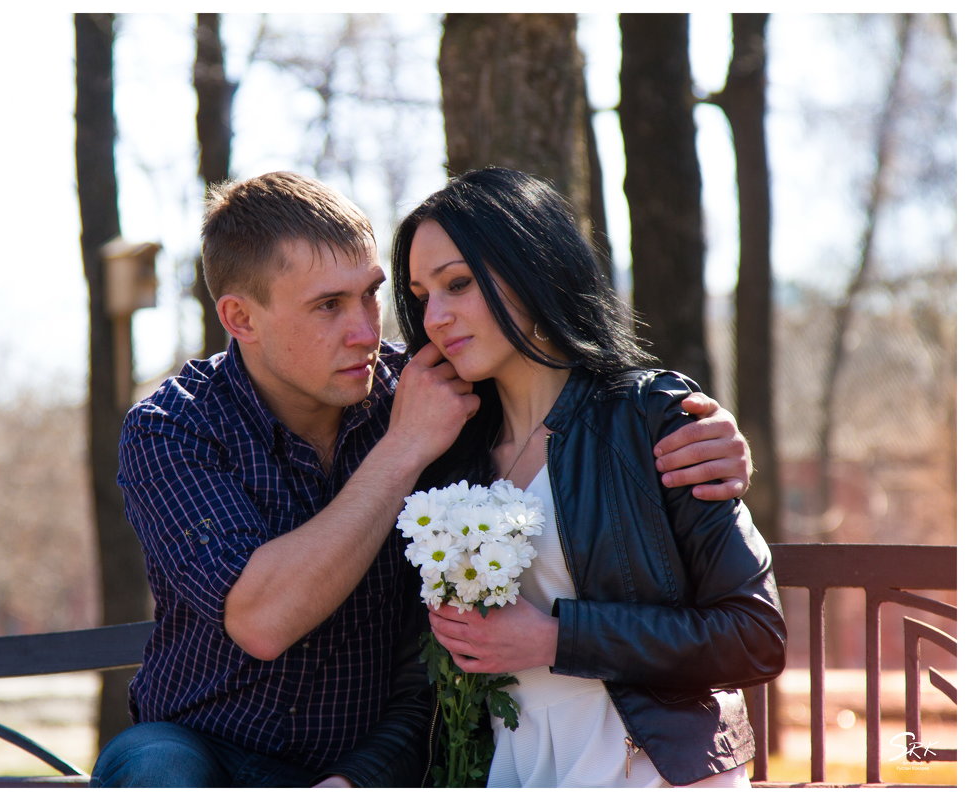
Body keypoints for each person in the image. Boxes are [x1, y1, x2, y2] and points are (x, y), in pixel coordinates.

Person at [90, 171, 755, 788]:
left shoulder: (438, 392)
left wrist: (703, 429)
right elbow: (261, 622)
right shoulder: (174, 427)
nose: (365, 332)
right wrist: (403, 446)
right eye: (327, 306)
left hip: (385, 749)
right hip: (201, 744)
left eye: (372, 294)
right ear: (240, 318)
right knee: (154, 772)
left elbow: (572, 400)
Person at [390, 167, 786, 788]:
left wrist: (557, 640)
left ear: (534, 268)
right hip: (512, 771)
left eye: (458, 284)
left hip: (653, 770)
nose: (435, 316)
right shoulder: (450, 455)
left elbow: (754, 635)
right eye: (421, 296)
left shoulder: (650, 419)